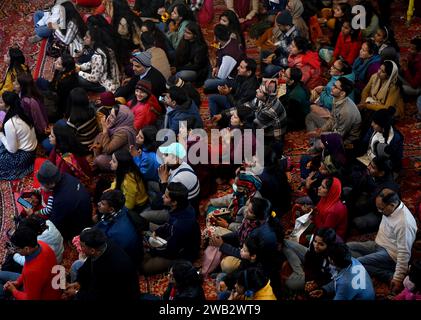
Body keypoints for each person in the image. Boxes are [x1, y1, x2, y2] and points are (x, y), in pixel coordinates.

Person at [347, 188, 418, 295]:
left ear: (392, 205)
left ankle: (387, 274)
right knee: (347, 248)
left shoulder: (404, 224)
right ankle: (370, 264)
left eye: (381, 209)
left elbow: (404, 253)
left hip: (390, 254)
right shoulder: (391, 208)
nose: (379, 212)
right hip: (378, 244)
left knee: (357, 263)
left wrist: (398, 278)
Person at [63, 227, 140, 300]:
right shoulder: (102, 246)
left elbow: (98, 296)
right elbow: (88, 266)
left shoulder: (109, 270)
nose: (80, 248)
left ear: (92, 250)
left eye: (82, 246)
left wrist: (77, 293)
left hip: (117, 294)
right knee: (77, 264)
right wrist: (78, 282)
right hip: (101, 286)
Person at [142, 182, 201, 275]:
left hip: (183, 255)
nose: (162, 197)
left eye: (166, 196)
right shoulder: (183, 206)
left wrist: (153, 250)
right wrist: (158, 231)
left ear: (174, 202)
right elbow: (169, 224)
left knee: (145, 267)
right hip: (176, 239)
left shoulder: (180, 226)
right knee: (147, 226)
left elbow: (171, 251)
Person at [32, 160, 92, 240]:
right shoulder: (65, 176)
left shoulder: (61, 200)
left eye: (42, 184)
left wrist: (33, 215)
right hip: (84, 212)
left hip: (78, 227)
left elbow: (53, 224)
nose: (40, 187)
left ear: (51, 184)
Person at [0, 227, 62, 300]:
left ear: (27, 249)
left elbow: (32, 298)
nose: (16, 251)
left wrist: (14, 291)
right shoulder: (42, 245)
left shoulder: (31, 271)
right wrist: (18, 282)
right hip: (51, 288)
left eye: (17, 249)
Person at [309, 243, 375, 300]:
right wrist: (325, 290)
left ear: (332, 261)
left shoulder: (345, 283)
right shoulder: (353, 260)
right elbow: (339, 279)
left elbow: (343, 283)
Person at [311, 77, 361, 149]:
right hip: (336, 129)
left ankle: (318, 148)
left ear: (342, 93)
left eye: (335, 87)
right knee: (312, 121)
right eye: (333, 85)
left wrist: (322, 135)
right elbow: (332, 118)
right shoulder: (337, 98)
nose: (332, 87)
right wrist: (322, 130)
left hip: (346, 140)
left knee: (319, 143)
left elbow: (339, 135)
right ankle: (316, 144)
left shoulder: (346, 112)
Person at [305, 59, 355, 131]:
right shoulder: (339, 78)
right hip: (328, 102)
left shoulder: (342, 85)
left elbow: (330, 103)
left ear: (341, 73)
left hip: (333, 113)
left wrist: (322, 92)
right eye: (333, 65)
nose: (331, 67)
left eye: (334, 67)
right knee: (310, 95)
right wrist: (324, 88)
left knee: (309, 108)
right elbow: (330, 90)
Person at [95, 190, 142, 265]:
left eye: (102, 204)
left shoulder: (113, 233)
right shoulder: (121, 208)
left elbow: (109, 252)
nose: (98, 204)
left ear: (111, 209)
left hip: (126, 261)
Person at [0, 92, 37, 180]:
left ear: (7, 106)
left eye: (1, 102)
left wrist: (1, 133)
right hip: (32, 150)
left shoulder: (11, 123)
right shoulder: (22, 113)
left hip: (24, 155)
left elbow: (13, 150)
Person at [357, 107, 404, 173]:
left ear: (383, 126)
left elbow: (395, 160)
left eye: (375, 123)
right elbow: (364, 142)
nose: (372, 124)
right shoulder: (372, 129)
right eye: (372, 121)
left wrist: (376, 166)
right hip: (369, 159)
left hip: (383, 166)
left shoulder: (395, 139)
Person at [91, 104, 137, 171]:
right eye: (110, 114)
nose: (108, 117)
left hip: (121, 159)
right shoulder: (120, 124)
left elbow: (108, 150)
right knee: (99, 137)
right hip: (114, 151)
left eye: (112, 116)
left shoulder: (123, 133)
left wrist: (105, 130)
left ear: (120, 118)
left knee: (100, 159)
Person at [48, 123, 93, 190]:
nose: (49, 137)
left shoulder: (66, 163)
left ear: (59, 139)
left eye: (52, 136)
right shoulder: (63, 145)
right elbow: (51, 160)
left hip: (78, 187)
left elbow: (65, 183)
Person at [76, 26, 120, 93]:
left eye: (87, 37)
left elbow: (94, 78)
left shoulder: (97, 55)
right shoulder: (107, 49)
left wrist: (79, 72)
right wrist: (80, 67)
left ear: (93, 40)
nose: (84, 38)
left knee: (80, 79)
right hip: (115, 82)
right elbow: (91, 63)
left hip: (107, 87)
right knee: (80, 66)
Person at [204, 24, 245, 93]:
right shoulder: (231, 40)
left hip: (233, 80)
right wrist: (216, 67)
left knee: (207, 83)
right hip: (223, 69)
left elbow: (221, 76)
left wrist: (216, 69)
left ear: (216, 38)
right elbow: (217, 47)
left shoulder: (229, 56)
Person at [37, 53, 79, 119]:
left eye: (58, 63)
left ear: (64, 68)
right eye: (56, 60)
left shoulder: (64, 82)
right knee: (39, 81)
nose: (54, 62)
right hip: (55, 89)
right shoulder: (66, 70)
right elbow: (53, 81)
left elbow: (58, 95)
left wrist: (47, 93)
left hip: (59, 98)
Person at [259, 10, 300, 78]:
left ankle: (267, 79)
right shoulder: (286, 31)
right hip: (281, 57)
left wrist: (273, 61)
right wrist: (274, 54)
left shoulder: (295, 37)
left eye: (279, 25)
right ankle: (263, 76)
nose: (278, 27)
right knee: (264, 53)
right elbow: (282, 46)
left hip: (287, 63)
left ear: (286, 25)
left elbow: (288, 59)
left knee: (269, 69)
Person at [174, 21, 210, 85]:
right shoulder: (185, 41)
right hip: (186, 66)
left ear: (195, 35)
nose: (185, 34)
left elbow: (197, 66)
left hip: (197, 72)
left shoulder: (201, 47)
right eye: (185, 31)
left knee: (179, 75)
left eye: (188, 33)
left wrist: (179, 68)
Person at [15, 73, 48, 138]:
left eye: (16, 84)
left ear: (22, 87)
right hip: (44, 123)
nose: (13, 84)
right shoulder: (34, 92)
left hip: (37, 130)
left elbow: (31, 119)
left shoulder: (26, 101)